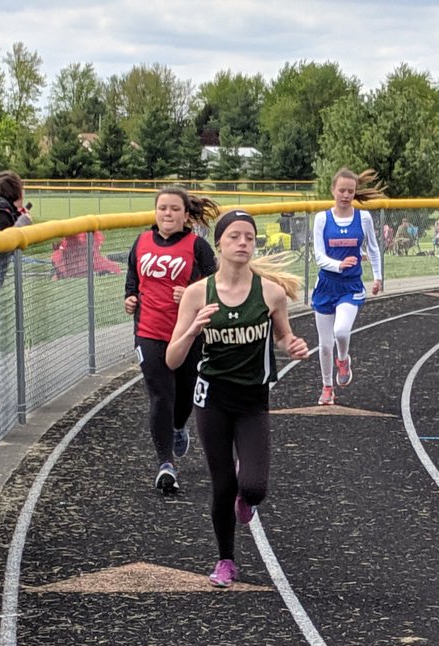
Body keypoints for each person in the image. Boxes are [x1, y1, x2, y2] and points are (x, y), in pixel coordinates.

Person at [165, 210, 309, 588]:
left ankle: (246, 499)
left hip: (252, 400)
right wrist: (193, 330)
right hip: (211, 398)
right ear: (219, 244)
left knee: (254, 488)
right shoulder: (198, 294)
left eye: (249, 237)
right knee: (223, 484)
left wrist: (292, 345)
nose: (243, 243)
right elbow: (172, 358)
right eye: (235, 236)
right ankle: (225, 560)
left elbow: (283, 336)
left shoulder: (270, 293)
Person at [124, 187, 218, 494]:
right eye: (162, 208)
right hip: (149, 331)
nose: (167, 213)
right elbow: (133, 277)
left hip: (188, 331)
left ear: (186, 215)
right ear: (155, 212)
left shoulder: (198, 246)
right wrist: (129, 297)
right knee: (160, 395)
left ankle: (178, 427)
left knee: (184, 393)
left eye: (174, 209)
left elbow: (215, 285)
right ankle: (166, 464)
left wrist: (190, 292)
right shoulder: (141, 242)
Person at [310, 167, 382, 406]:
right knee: (324, 344)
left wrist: (378, 277)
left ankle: (343, 359)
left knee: (341, 331)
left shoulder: (363, 218)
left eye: (350, 191)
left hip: (350, 286)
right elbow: (319, 257)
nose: (345, 195)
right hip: (325, 286)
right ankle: (327, 387)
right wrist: (339, 264)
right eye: (341, 190)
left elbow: (373, 248)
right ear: (333, 190)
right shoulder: (322, 219)